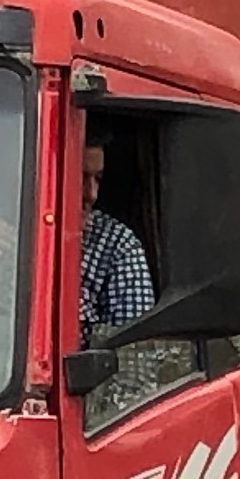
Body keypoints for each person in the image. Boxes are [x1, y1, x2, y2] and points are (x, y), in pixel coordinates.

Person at [79, 131, 154, 338]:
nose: (91, 194)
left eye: (97, 179)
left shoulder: (117, 246)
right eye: (79, 177)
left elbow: (130, 354)